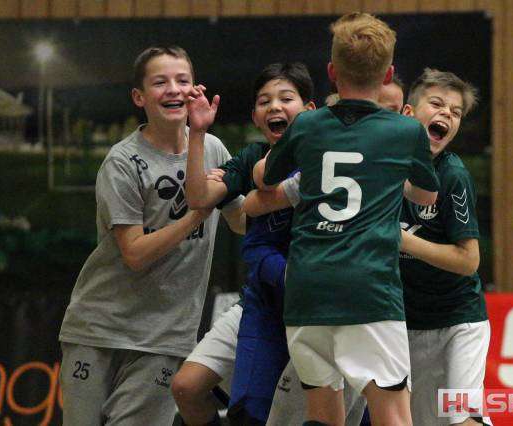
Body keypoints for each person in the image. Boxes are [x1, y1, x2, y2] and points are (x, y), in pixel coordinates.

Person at [260, 13, 440, 426]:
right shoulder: (404, 131)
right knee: (394, 416)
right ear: (388, 74)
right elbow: (427, 194)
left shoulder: (306, 125)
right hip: (369, 289)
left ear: (332, 72)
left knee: (322, 416)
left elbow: (269, 177)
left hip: (307, 289)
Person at [57, 46, 244, 426]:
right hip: (98, 328)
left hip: (166, 336)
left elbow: (240, 221)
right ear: (139, 97)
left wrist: (281, 187)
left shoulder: (212, 149)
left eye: (182, 80)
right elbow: (135, 253)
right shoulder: (122, 162)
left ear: (196, 90)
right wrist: (198, 213)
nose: (173, 89)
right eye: (160, 82)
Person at [172, 63, 317, 426]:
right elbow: (199, 197)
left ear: (310, 110)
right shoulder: (252, 157)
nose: (275, 107)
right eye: (265, 101)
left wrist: (257, 201)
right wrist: (197, 133)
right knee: (188, 388)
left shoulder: (326, 159)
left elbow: (251, 209)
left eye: (286, 98)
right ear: (255, 116)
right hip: (263, 301)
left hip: (317, 305)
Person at [398, 68, 492, 426]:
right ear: (409, 113)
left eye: (455, 112)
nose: (446, 115)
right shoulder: (384, 166)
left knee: (461, 418)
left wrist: (403, 240)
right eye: (437, 104)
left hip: (459, 321)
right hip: (406, 324)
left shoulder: (453, 176)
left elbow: (469, 261)